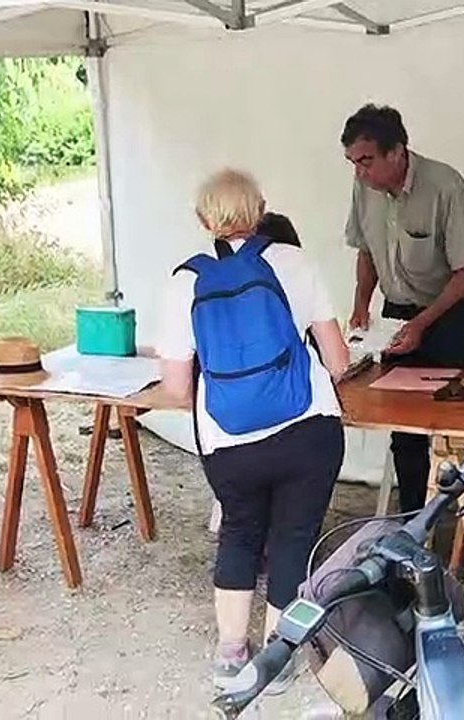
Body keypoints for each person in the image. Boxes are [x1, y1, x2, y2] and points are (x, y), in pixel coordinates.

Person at [156, 169, 351, 692]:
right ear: (261, 209)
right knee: (293, 536)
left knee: (240, 533)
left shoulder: (186, 281)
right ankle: (279, 656)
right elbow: (337, 360)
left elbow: (176, 387)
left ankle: (229, 653)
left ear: (205, 221)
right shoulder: (294, 261)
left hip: (228, 440)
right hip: (307, 430)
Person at [341, 104, 464, 516]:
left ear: (397, 152)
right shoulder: (363, 187)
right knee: (404, 431)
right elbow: (366, 250)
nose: (359, 172)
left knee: (460, 432)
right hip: (396, 316)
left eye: (366, 161)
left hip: (448, 317)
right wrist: (360, 309)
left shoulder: (444, 185)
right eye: (352, 162)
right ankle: (410, 526)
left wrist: (422, 323)